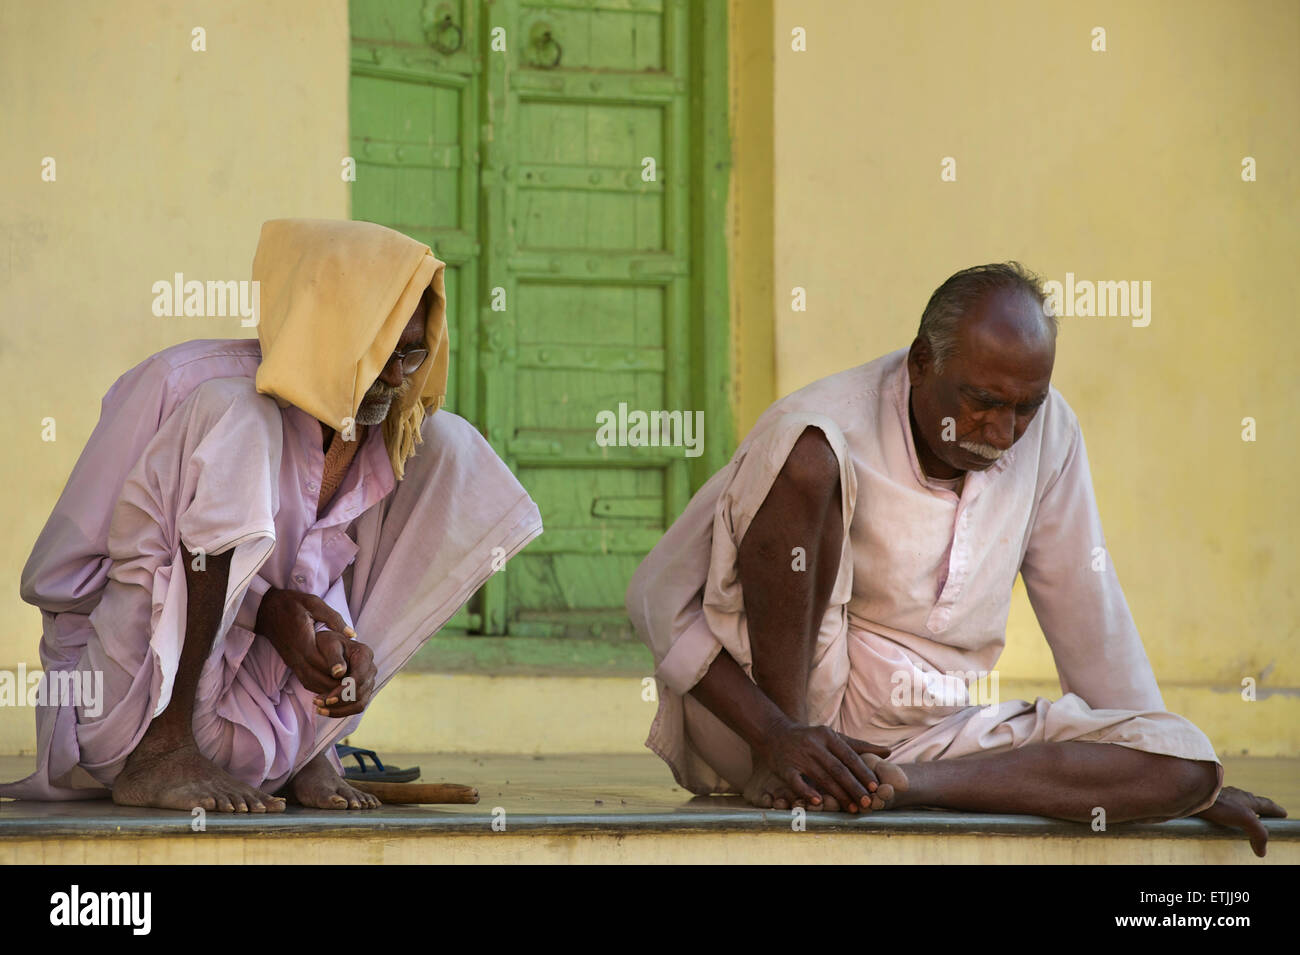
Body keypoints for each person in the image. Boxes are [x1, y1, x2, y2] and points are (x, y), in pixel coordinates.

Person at [626, 262, 1285, 855]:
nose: (1002, 434)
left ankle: (899, 786)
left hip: (934, 737)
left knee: (1189, 760)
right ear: (920, 362)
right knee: (807, 458)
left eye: (1024, 407)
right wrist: (776, 734)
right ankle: (803, 767)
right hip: (774, 723)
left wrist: (1175, 787)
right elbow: (654, 597)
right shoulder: (822, 420)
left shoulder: (1050, 433)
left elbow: (1089, 609)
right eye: (983, 403)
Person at [1, 219, 543, 812]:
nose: (395, 376)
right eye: (381, 352)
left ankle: (315, 752)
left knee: (450, 449)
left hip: (258, 732)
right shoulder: (185, 383)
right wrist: (258, 611)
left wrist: (333, 646)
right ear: (328, 329)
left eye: (411, 355)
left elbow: (314, 579)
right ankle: (166, 750)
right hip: (125, 706)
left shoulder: (377, 426)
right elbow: (60, 580)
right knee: (243, 413)